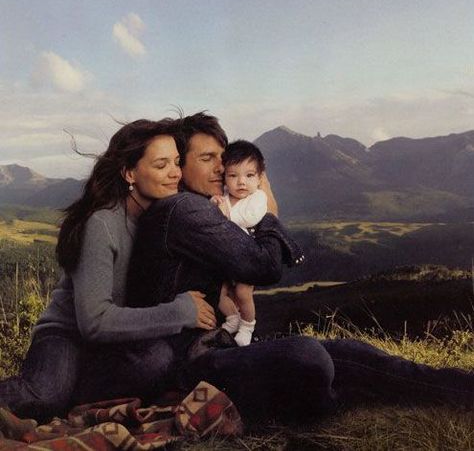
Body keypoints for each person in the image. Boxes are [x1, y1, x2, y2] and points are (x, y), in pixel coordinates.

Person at [127, 111, 474, 422]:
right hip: (189, 364)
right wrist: (269, 209)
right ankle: (332, 400)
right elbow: (263, 266)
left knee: (349, 351)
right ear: (180, 167)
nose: (222, 166)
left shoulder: (208, 207)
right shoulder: (184, 209)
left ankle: (455, 387)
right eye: (207, 158)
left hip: (219, 347)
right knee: (307, 355)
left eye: (223, 155)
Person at [0, 119, 217, 421]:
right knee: (46, 395)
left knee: (157, 361)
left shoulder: (167, 213)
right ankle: (59, 394)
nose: (175, 173)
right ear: (130, 173)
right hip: (69, 335)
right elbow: (95, 321)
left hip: (116, 343)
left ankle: (72, 396)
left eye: (177, 163)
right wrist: (181, 311)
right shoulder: (102, 224)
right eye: (161, 165)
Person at [211, 140, 271, 346]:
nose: (241, 182)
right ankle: (232, 317)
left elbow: (251, 218)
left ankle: (247, 326)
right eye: (233, 175)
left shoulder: (258, 197)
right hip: (225, 257)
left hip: (247, 255)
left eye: (249, 175)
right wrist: (214, 206)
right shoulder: (224, 197)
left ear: (259, 178)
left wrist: (225, 216)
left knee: (243, 292)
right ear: (225, 177)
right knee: (219, 292)